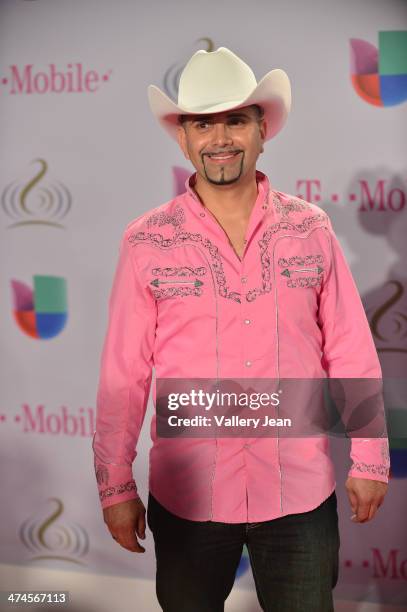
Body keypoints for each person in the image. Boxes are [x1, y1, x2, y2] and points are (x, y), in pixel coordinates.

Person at [92, 47, 390, 612]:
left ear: (262, 130)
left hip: (300, 493)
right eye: (203, 123)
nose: (220, 138)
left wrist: (371, 456)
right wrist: (115, 483)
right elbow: (123, 374)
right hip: (189, 495)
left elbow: (350, 348)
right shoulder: (145, 242)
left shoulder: (311, 228)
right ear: (183, 139)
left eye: (236, 120)